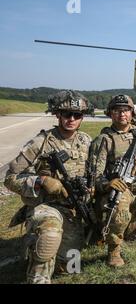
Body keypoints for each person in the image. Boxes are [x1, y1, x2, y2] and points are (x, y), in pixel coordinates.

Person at [4, 90, 93, 284]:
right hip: (47, 206)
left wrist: (91, 188)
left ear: (82, 117)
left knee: (71, 267)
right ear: (57, 114)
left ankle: (33, 253)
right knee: (49, 237)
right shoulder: (41, 142)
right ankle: (37, 276)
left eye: (76, 115)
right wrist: (41, 181)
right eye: (66, 114)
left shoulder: (86, 141)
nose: (71, 119)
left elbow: (93, 173)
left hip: (73, 209)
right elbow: (10, 178)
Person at [90, 94, 136, 267]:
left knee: (134, 235)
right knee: (119, 207)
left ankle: (119, 230)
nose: (122, 114)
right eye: (117, 111)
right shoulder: (105, 140)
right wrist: (107, 184)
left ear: (132, 113)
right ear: (110, 114)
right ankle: (113, 251)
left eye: (126, 110)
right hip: (119, 190)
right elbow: (95, 174)